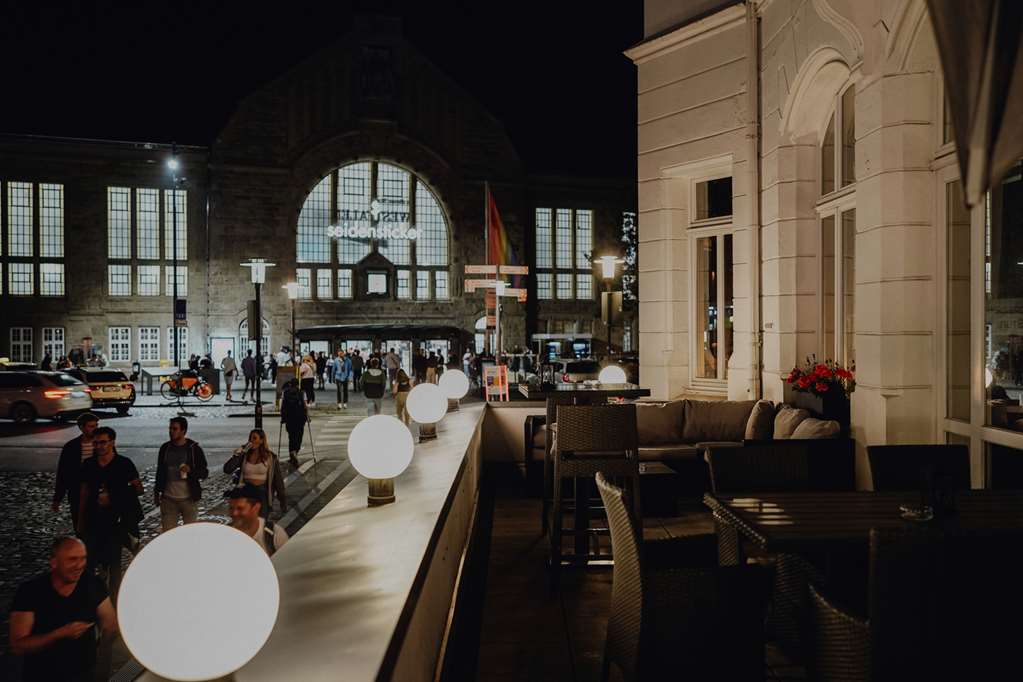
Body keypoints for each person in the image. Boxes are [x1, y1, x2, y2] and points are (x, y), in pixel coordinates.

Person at [8, 536, 118, 682]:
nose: (79, 565)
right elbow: (18, 645)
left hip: (84, 674)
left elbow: (110, 624)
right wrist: (58, 634)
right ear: (54, 562)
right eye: (72, 559)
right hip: (42, 676)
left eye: (83, 558)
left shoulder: (93, 585)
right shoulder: (30, 592)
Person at [76, 426, 143, 599]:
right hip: (93, 521)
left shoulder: (124, 464)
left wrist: (113, 496)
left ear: (112, 442)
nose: (99, 446)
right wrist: (80, 520)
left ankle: (114, 599)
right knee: (89, 562)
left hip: (115, 523)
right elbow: (83, 492)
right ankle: (91, 597)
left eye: (103, 442)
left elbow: (138, 489)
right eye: (96, 443)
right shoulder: (89, 465)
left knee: (114, 563)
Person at [154, 417, 209, 532]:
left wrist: (190, 471)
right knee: (168, 534)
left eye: (175, 429)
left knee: (190, 533)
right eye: (170, 428)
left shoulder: (194, 449)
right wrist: (157, 492)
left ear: (183, 431)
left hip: (188, 499)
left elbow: (204, 472)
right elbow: (160, 471)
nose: (171, 432)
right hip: (169, 499)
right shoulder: (165, 448)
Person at [223, 429, 286, 518]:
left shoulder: (270, 457)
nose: (251, 441)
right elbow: (227, 469)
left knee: (260, 521)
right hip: (246, 491)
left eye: (254, 438)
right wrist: (237, 455)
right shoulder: (244, 455)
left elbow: (278, 480)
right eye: (250, 438)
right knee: (245, 521)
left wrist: (282, 499)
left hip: (262, 492)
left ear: (261, 440)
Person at [52, 413, 99, 532]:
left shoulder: (101, 444)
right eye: (91, 426)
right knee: (79, 523)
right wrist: (58, 498)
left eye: (96, 426)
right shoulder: (71, 447)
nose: (95, 429)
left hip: (97, 489)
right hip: (76, 490)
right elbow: (63, 473)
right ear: (82, 428)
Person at [227, 485, 288, 557]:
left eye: (240, 508)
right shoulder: (226, 534)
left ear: (256, 507)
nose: (234, 513)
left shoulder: (275, 535)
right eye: (231, 508)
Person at [280, 379, 306, 468]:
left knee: (291, 437)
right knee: (299, 437)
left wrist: (283, 418)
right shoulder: (301, 393)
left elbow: (283, 406)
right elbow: (304, 405)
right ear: (297, 385)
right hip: (300, 419)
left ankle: (292, 454)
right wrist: (307, 416)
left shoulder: (286, 393)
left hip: (289, 419)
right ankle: (295, 452)